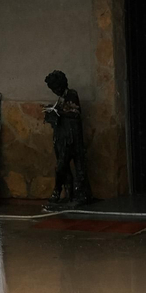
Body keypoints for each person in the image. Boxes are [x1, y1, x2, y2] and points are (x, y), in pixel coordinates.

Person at [43, 70, 90, 207]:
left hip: (72, 138)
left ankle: (74, 194)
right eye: (53, 89)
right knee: (63, 166)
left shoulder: (72, 94)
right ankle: (69, 194)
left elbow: (75, 113)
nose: (55, 91)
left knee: (71, 166)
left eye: (57, 88)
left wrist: (60, 112)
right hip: (62, 138)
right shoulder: (61, 98)